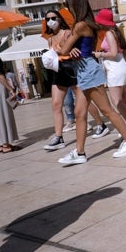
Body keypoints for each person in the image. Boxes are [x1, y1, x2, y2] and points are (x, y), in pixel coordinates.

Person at [55, 0, 126, 164]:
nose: (66, 9)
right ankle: (79, 153)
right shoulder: (84, 24)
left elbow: (62, 50)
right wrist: (70, 48)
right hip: (83, 70)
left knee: (107, 110)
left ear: (74, 5)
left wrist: (65, 47)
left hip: (89, 70)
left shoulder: (80, 25)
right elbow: (70, 49)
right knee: (79, 113)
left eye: (68, 5)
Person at [93, 8, 126, 139]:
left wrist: (100, 54)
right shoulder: (116, 32)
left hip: (115, 67)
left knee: (117, 102)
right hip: (122, 65)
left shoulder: (109, 33)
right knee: (125, 100)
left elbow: (113, 53)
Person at [41, 9, 80, 150]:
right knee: (56, 104)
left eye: (53, 17)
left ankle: (100, 124)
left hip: (71, 67)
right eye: (47, 19)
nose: (50, 20)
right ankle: (59, 137)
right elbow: (53, 55)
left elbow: (74, 51)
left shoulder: (68, 33)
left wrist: (61, 50)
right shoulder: (50, 39)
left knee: (84, 99)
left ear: (59, 19)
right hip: (58, 70)